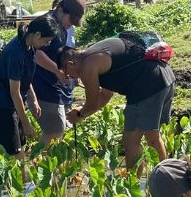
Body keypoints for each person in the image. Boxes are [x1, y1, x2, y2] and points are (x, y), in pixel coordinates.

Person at [61, 35, 175, 174]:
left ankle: (133, 182)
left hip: (146, 86)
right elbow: (105, 95)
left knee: (130, 139)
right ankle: (169, 179)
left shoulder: (87, 65)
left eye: (68, 74)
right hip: (165, 76)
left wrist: (80, 114)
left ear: (70, 63)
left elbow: (91, 104)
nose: (71, 78)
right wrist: (82, 112)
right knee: (152, 137)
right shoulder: (98, 51)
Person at [0, 14, 59, 157]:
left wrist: (34, 99)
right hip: (1, 103)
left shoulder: (30, 46)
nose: (47, 45)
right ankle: (23, 179)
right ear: (37, 34)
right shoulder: (16, 53)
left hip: (13, 102)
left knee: (20, 145)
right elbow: (14, 92)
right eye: (47, 41)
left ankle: (25, 177)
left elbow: (25, 78)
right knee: (13, 152)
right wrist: (25, 123)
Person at [31, 0, 85, 145]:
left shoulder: (61, 26)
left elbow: (58, 53)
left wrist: (71, 72)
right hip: (41, 84)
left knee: (59, 129)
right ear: (60, 10)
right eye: (70, 19)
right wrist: (57, 71)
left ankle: (46, 163)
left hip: (54, 85)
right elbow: (37, 55)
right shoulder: (47, 24)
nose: (71, 24)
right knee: (55, 130)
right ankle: (39, 164)